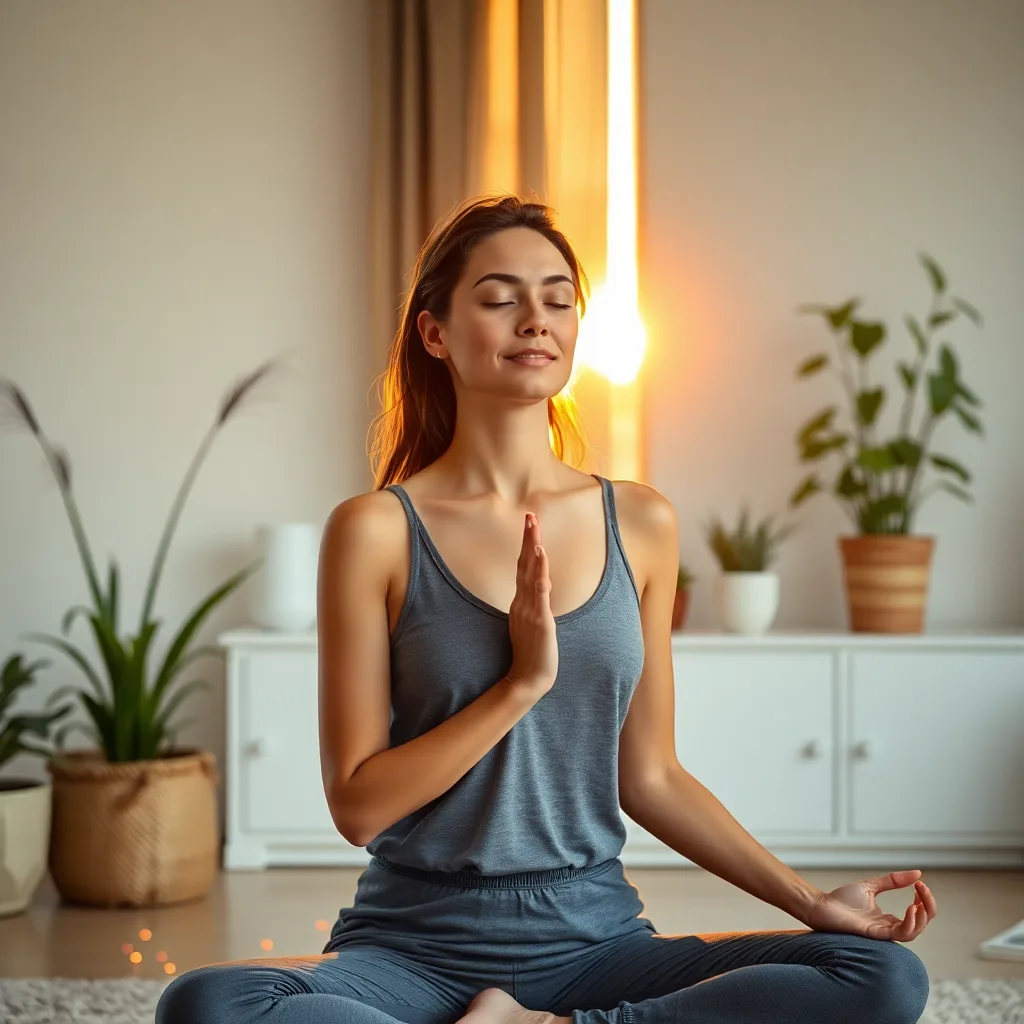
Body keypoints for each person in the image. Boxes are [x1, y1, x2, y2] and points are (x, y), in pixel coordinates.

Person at [156, 195, 934, 1024]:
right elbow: (357, 804)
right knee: (210, 1005)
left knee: (880, 976)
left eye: (559, 299)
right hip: (411, 950)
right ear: (436, 333)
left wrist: (810, 902)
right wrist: (519, 685)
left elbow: (653, 776)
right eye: (500, 298)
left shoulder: (640, 521)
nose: (537, 319)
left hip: (597, 947)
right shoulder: (376, 530)